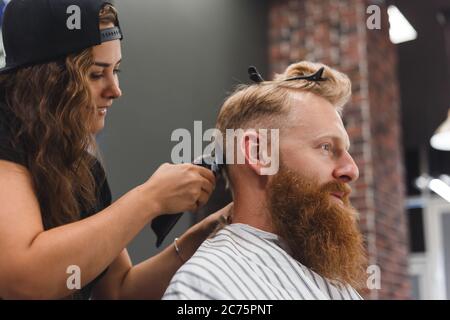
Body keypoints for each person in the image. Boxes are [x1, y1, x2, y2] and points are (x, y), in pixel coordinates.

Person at [0, 0, 231, 300]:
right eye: (97, 74)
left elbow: (121, 290)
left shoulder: (82, 170)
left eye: (116, 70)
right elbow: (22, 278)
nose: (115, 89)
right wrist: (150, 198)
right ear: (46, 80)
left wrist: (210, 230)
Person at [163, 61, 367, 300]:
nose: (351, 170)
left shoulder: (333, 282)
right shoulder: (206, 285)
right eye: (326, 147)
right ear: (259, 153)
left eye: (346, 151)